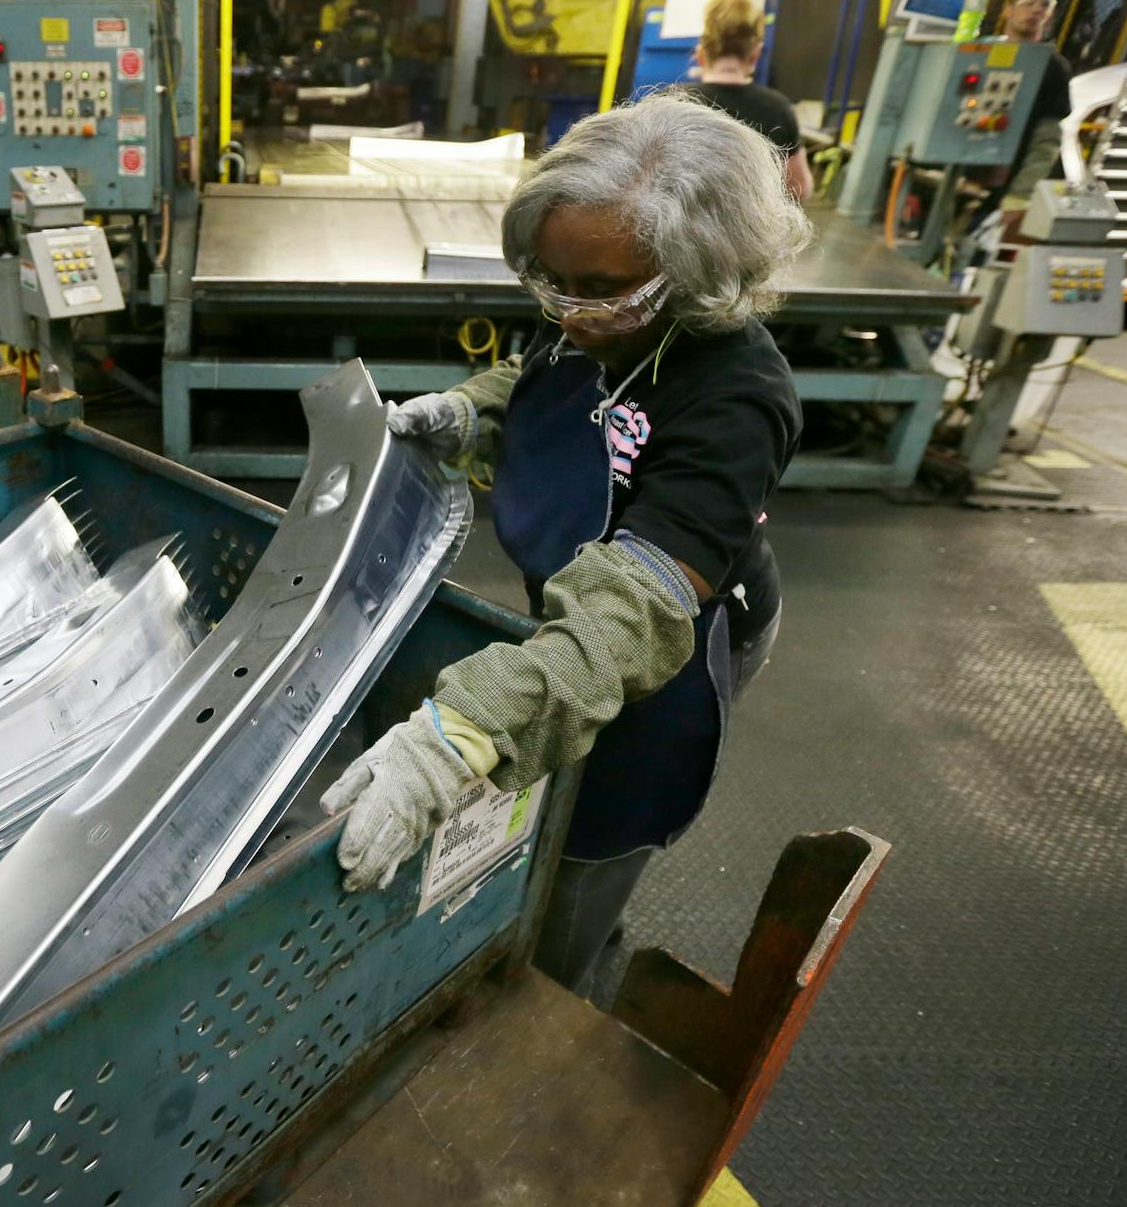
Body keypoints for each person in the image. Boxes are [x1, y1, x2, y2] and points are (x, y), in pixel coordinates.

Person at [319, 92, 812, 992]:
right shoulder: (604, 304)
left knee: (598, 826)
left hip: (677, 633)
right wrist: (474, 408)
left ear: (699, 277)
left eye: (597, 292)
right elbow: (548, 370)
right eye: (552, 282)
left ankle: (560, 987)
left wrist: (458, 736)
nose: (569, 311)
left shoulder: (740, 399)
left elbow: (634, 615)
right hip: (591, 593)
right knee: (545, 739)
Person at [684, 0, 813, 203]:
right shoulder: (778, 109)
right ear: (755, 55)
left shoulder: (673, 101)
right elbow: (799, 189)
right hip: (746, 234)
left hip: (677, 233)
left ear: (700, 54)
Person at [995, 0, 1075, 210]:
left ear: (1049, 16)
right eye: (1029, 2)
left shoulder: (1053, 68)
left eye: (1045, 5)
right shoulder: (980, 54)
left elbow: (1046, 141)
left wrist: (1020, 197)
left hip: (1004, 185)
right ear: (1008, 9)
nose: (1036, 10)